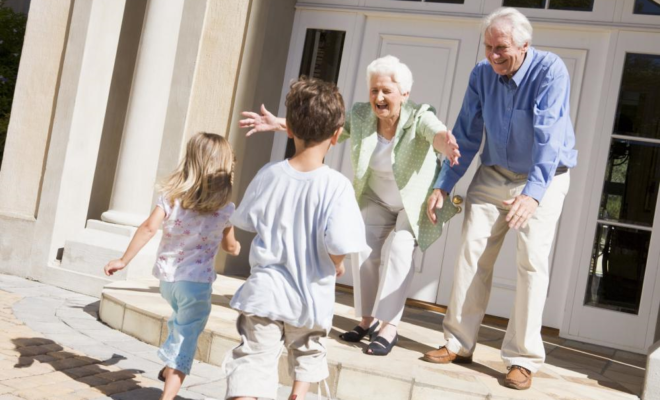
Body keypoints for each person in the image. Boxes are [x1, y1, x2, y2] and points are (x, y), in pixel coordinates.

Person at [239, 55, 460, 356]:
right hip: (377, 197)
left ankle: (389, 325)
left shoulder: (420, 116)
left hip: (411, 203)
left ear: (404, 94)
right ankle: (367, 319)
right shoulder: (360, 115)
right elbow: (326, 128)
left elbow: (434, 132)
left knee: (398, 250)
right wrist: (281, 123)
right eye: (373, 91)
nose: (378, 98)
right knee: (365, 250)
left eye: (386, 91)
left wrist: (444, 143)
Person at [422, 7, 577, 391]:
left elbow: (548, 136)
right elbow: (467, 132)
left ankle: (522, 358)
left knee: (531, 263)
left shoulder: (550, 70)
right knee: (472, 253)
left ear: (524, 45)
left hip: (546, 175)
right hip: (493, 174)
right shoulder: (481, 74)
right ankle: (458, 342)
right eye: (488, 46)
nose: (493, 56)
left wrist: (534, 195)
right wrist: (445, 183)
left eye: (501, 48)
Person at [223, 77, 369, 400]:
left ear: (288, 129)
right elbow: (339, 243)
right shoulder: (337, 186)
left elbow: (244, 219)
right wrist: (338, 264)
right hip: (310, 297)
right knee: (308, 353)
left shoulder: (269, 175)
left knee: (252, 362)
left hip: (266, 293)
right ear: (336, 135)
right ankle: (298, 394)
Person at [103, 132, 240, 400]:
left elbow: (148, 228)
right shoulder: (225, 208)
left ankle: (168, 368)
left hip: (167, 282)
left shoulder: (171, 197)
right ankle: (168, 394)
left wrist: (123, 260)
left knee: (181, 323)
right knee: (186, 340)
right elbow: (231, 246)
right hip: (197, 286)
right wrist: (236, 248)